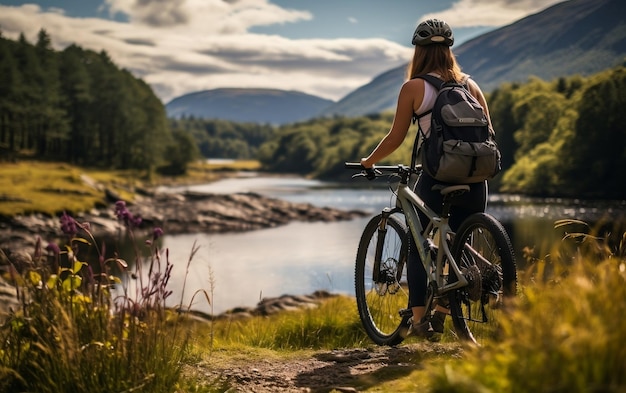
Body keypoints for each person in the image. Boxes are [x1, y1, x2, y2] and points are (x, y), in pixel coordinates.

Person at [359, 19, 493, 338]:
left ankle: (419, 322)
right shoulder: (471, 86)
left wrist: (369, 161)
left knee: (417, 240)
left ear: (418, 51)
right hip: (477, 179)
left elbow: (395, 138)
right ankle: (445, 315)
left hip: (437, 177)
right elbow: (488, 132)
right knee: (459, 243)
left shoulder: (414, 87)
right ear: (449, 51)